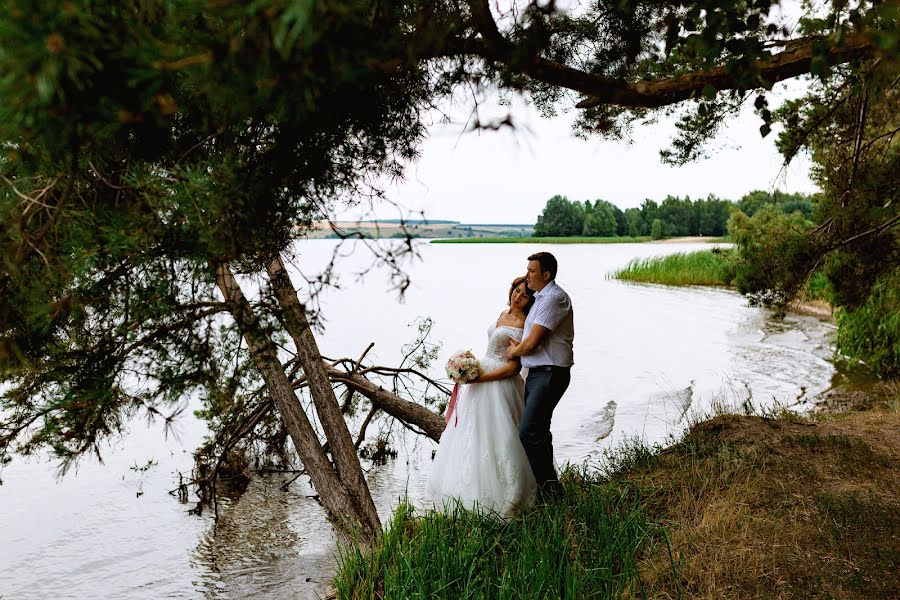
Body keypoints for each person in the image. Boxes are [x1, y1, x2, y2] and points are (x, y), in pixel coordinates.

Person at [426, 276, 538, 516]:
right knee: (470, 433)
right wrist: (469, 362)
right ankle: (464, 492)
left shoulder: (522, 324)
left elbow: (514, 367)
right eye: (516, 291)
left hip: (499, 383)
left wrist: (480, 379)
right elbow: (492, 348)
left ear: (530, 301)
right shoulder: (502, 313)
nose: (518, 297)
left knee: (499, 435)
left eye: (524, 295)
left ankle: (508, 496)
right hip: (482, 376)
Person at [506, 252, 574, 499]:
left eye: (532, 271)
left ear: (546, 275)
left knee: (529, 432)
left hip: (550, 373)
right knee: (540, 432)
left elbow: (532, 342)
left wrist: (514, 350)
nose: (527, 275)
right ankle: (551, 494)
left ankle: (551, 495)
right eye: (527, 270)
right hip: (537, 374)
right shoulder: (540, 298)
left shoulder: (554, 298)